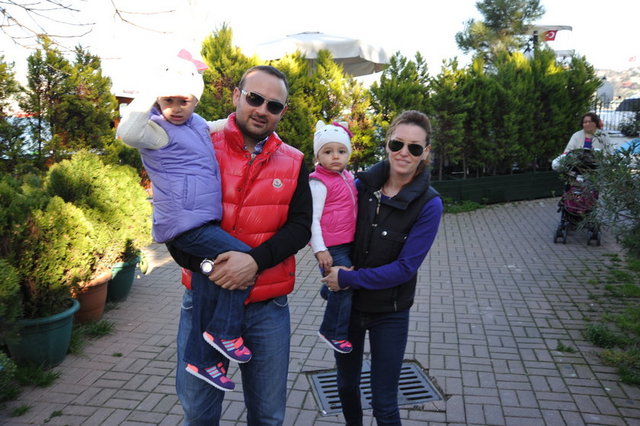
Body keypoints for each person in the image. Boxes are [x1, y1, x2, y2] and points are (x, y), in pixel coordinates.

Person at [167, 65, 312, 425]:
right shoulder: (199, 144)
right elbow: (175, 222)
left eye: (273, 105)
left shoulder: (295, 161)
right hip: (204, 301)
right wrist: (208, 268)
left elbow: (300, 228)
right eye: (255, 98)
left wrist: (253, 263)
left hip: (267, 309)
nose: (262, 110)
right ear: (236, 95)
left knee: (268, 416)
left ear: (283, 112)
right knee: (198, 414)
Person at [117, 51, 256, 392]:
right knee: (243, 259)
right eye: (169, 100)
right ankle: (225, 331)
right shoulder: (155, 130)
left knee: (208, 287)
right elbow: (128, 131)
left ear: (196, 100)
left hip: (202, 222)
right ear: (158, 98)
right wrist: (154, 88)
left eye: (185, 101)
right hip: (184, 226)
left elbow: (214, 126)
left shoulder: (196, 125)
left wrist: (245, 120)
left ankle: (201, 360)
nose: (176, 108)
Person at [322, 110, 443, 425]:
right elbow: (330, 224)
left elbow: (405, 268)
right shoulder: (359, 185)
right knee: (346, 386)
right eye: (397, 144)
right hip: (348, 307)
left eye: (414, 148)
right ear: (387, 144)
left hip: (389, 312)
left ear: (425, 152)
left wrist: (346, 278)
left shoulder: (429, 204)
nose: (404, 153)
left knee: (384, 403)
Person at [309, 120, 357, 354]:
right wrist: (320, 249)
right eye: (328, 152)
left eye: (341, 151)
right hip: (331, 247)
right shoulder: (318, 183)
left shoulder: (347, 176)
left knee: (344, 283)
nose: (335, 156)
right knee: (344, 284)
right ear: (318, 155)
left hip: (348, 242)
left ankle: (327, 290)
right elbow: (312, 219)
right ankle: (332, 331)